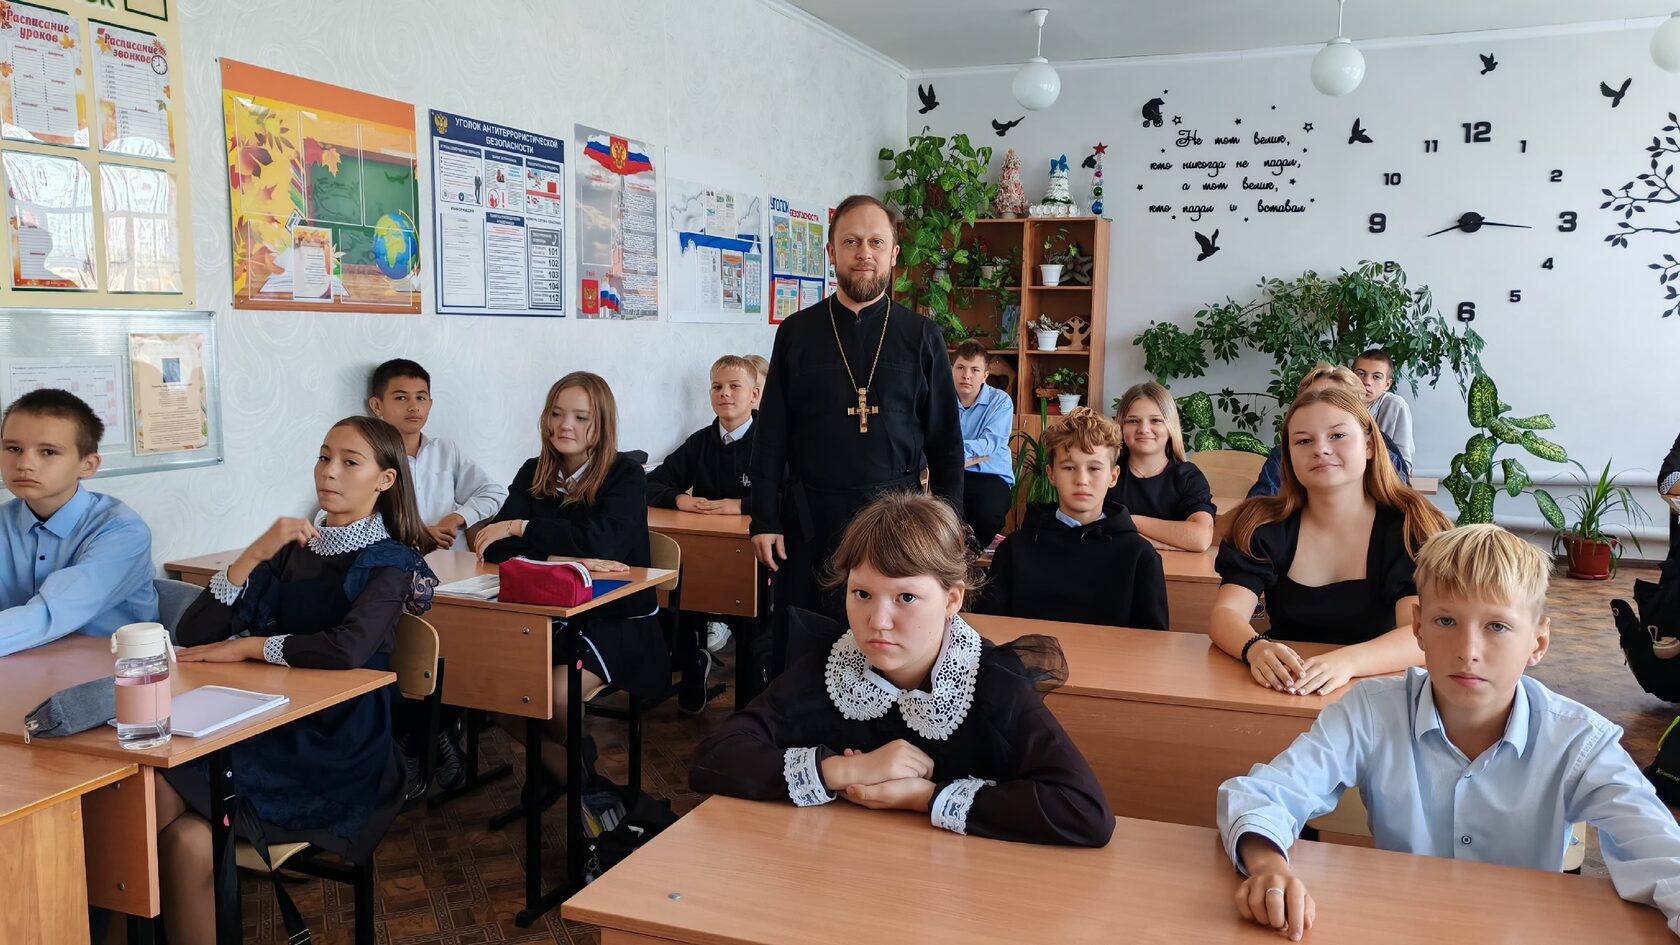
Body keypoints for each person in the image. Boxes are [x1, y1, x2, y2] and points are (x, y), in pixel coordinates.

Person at [1217, 524, 1680, 941]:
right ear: (1418, 627)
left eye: (1497, 626)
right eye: (1446, 621)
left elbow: (1663, 853)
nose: (1468, 650)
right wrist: (1268, 865)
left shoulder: (1579, 741)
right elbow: (1264, 794)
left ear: (1537, 642)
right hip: (1401, 926)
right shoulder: (1371, 712)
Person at [690, 491, 1113, 847]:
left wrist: (924, 797)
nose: (878, 621)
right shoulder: (834, 666)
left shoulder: (990, 684)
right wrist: (847, 770)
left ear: (952, 600)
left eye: (906, 598)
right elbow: (714, 758)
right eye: (862, 594)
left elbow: (1084, 812)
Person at [155, 416, 438, 945]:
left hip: (339, 741)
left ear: (385, 480)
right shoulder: (292, 549)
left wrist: (249, 647)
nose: (328, 472)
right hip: (268, 721)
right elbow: (193, 633)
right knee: (181, 837)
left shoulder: (393, 562)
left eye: (349, 462)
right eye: (324, 457)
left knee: (157, 795)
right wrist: (253, 553)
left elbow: (347, 648)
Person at [748, 194, 965, 674]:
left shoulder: (922, 336)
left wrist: (947, 529)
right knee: (805, 654)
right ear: (831, 252)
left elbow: (946, 445)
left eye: (875, 242)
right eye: (851, 242)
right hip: (811, 521)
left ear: (894, 254)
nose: (863, 253)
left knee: (889, 650)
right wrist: (764, 518)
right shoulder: (797, 333)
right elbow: (771, 435)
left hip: (897, 524)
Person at [472, 372, 667, 790]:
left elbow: (604, 542)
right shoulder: (533, 471)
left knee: (557, 696)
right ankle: (575, 771)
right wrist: (564, 558)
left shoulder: (626, 474)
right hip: (549, 615)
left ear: (602, 424)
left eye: (581, 417)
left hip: (616, 618)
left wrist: (523, 528)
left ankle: (567, 777)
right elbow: (493, 548)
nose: (565, 426)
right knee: (499, 693)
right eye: (557, 414)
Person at [1212, 388, 1451, 696]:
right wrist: (1255, 648)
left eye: (1337, 436)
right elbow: (1226, 614)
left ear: (1369, 445)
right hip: (1289, 685)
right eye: (1304, 441)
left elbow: (1420, 635)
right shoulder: (1263, 524)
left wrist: (1346, 662)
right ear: (1288, 456)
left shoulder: (1410, 525)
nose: (1321, 450)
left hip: (1378, 689)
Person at [366, 358, 506, 793]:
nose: (414, 407)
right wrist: (413, 534)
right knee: (407, 659)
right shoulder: (366, 454)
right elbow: (338, 517)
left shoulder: (446, 451)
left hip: (452, 580)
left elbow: (493, 491)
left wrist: (456, 518)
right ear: (377, 406)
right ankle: (426, 738)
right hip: (395, 582)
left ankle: (429, 736)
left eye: (421, 397)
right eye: (401, 397)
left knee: (460, 654)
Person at [0, 388, 156, 657]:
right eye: (13, 448)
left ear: (88, 465)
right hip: (22, 665)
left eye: (48, 452)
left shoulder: (122, 531)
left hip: (117, 671)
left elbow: (50, 614)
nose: (24, 464)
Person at [980, 408, 1168, 630]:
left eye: (1094, 468)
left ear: (1113, 476)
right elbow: (990, 630)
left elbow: (1152, 641)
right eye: (1069, 467)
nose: (1082, 480)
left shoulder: (1139, 556)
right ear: (1051, 474)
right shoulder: (1015, 549)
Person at [1249, 364, 1410, 498]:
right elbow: (1258, 506)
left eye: (1335, 400)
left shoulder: (1385, 456)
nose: (1321, 450)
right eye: (1312, 398)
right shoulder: (1282, 456)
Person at [1106, 382, 1216, 552]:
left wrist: (1129, 520)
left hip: (1177, 568)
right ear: (1121, 426)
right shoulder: (1106, 473)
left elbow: (1200, 538)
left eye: (1156, 420)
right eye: (1133, 421)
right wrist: (1164, 543)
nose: (1144, 429)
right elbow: (1094, 529)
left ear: (1170, 426)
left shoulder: (1188, 477)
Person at [646, 354, 759, 515]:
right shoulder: (698, 442)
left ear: (754, 395)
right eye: (717, 387)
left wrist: (742, 505)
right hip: (703, 528)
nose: (724, 393)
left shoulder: (772, 445)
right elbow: (650, 484)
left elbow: (789, 500)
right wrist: (679, 499)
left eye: (734, 386)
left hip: (752, 530)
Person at [951, 339, 1014, 547]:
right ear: (951, 370)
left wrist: (949, 451)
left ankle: (970, 559)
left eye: (975, 370)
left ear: (985, 375)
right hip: (951, 474)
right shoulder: (940, 399)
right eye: (960, 367)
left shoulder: (1001, 401)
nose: (966, 375)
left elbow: (989, 445)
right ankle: (947, 561)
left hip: (990, 476)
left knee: (986, 516)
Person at [1352, 348, 1415, 472]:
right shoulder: (1338, 404)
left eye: (1376, 377)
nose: (1367, 382)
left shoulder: (1395, 406)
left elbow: (1404, 464)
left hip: (1381, 477)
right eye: (1360, 374)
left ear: (1387, 385)